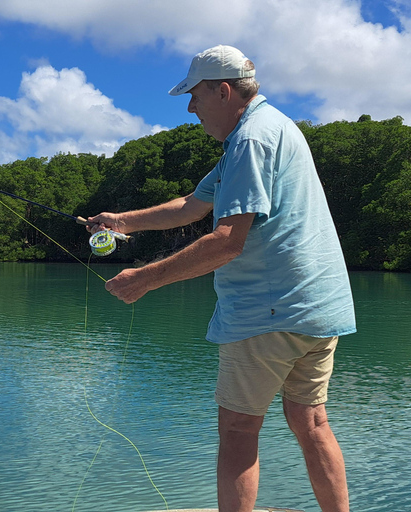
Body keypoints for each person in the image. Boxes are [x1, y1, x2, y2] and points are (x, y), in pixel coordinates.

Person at [88, 45, 356, 512]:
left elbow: (228, 240)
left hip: (269, 311)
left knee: (237, 428)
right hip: (318, 309)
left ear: (223, 90)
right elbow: (194, 205)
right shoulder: (269, 130)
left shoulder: (251, 140)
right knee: (311, 422)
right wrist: (121, 221)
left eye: (194, 96)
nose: (190, 108)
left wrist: (144, 279)